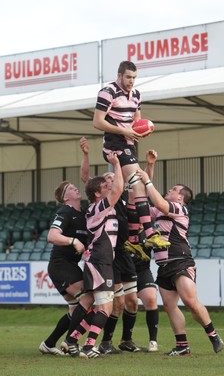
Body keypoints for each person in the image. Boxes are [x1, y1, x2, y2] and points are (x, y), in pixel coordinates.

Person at [134, 168, 224, 356]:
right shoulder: (158, 211)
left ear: (181, 198)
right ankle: (182, 346)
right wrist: (144, 173)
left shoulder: (179, 209)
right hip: (163, 266)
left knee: (190, 302)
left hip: (180, 262)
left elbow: (158, 201)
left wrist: (148, 181)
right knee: (169, 306)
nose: (170, 190)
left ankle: (213, 335)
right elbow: (142, 203)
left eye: (174, 189)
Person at [79, 137, 149, 354]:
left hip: (123, 252)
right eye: (106, 178)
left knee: (132, 302)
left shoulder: (122, 196)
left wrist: (148, 167)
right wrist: (87, 154)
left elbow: (141, 192)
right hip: (107, 255)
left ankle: (125, 339)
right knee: (112, 303)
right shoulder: (103, 202)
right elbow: (86, 179)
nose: (110, 179)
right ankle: (103, 342)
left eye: (112, 176)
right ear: (104, 186)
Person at [93, 60, 170, 253]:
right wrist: (124, 131)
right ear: (119, 76)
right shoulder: (108, 91)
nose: (131, 81)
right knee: (137, 183)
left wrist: (141, 130)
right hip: (113, 142)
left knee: (136, 190)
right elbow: (97, 122)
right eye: (128, 77)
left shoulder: (136, 94)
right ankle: (151, 234)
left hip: (128, 143)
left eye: (134, 78)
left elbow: (136, 120)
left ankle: (134, 239)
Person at [64, 151, 124, 358]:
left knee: (91, 301)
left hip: (98, 260)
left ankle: (71, 340)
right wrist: (116, 164)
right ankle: (89, 347)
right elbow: (117, 190)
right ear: (98, 194)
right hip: (100, 261)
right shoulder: (99, 207)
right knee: (106, 305)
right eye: (105, 187)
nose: (110, 188)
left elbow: (116, 189)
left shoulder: (100, 206)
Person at [39, 181, 93, 356]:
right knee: (88, 299)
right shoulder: (65, 211)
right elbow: (52, 235)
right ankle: (71, 343)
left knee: (74, 309)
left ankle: (49, 344)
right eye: (70, 188)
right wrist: (73, 241)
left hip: (70, 265)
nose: (75, 187)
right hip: (60, 265)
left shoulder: (83, 213)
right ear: (65, 197)